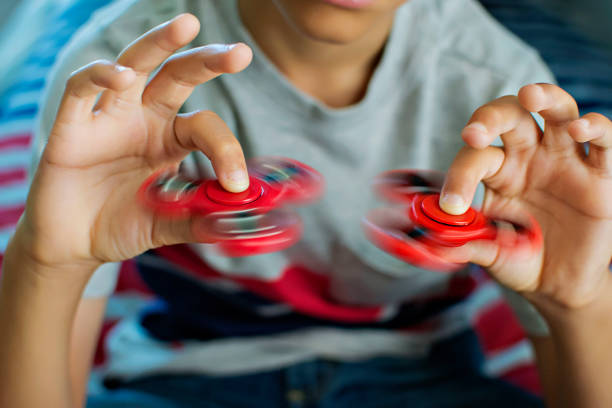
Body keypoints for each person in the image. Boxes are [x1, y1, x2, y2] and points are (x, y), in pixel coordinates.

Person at [1, 0, 611, 406]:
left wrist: (577, 300)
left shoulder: (497, 83)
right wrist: (47, 260)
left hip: (426, 376)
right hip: (185, 379)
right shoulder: (117, 77)